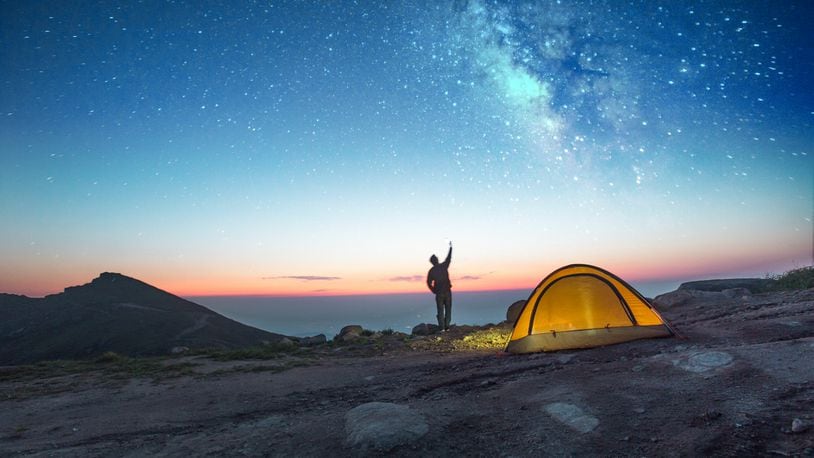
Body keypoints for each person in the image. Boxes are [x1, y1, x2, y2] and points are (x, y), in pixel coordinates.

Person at [426, 241, 452, 332]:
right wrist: (451, 249)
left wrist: (434, 290)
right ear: (436, 260)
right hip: (447, 292)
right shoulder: (443, 266)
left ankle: (442, 328)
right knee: (447, 309)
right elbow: (448, 258)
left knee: (440, 310)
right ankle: (447, 326)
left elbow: (428, 282)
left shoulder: (432, 271)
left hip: (439, 293)